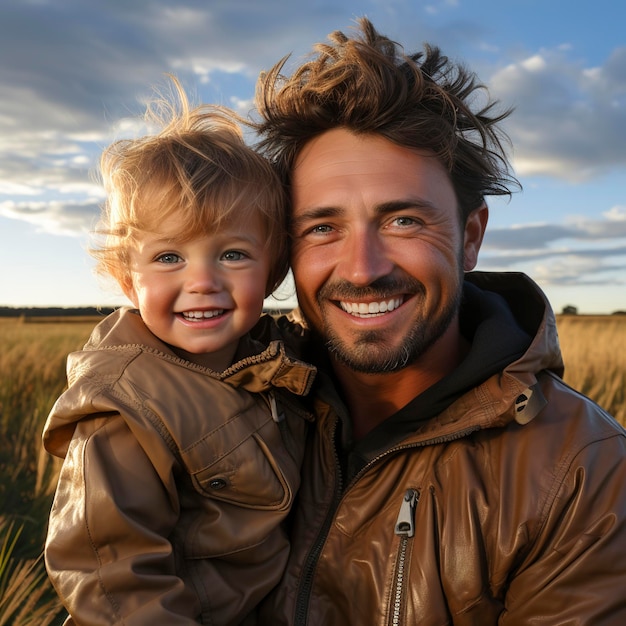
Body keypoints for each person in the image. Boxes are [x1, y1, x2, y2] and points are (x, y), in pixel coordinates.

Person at [252, 17, 626, 625]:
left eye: (403, 221)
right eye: (323, 227)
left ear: (470, 237)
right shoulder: (231, 407)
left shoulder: (580, 472)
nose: (364, 269)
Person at [42, 78, 316, 625]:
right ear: (127, 280)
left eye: (233, 254)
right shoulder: (126, 411)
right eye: (169, 258)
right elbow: (112, 578)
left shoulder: (278, 362)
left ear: (274, 270)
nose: (202, 282)